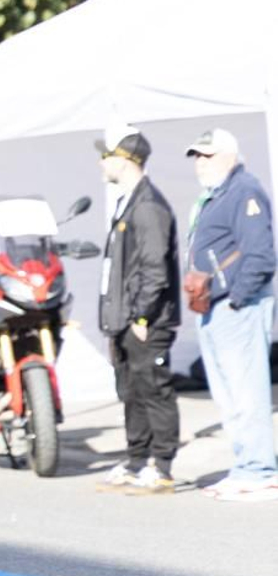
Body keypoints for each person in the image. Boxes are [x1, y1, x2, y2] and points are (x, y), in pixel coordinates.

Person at [185, 128, 278, 501]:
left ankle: (259, 470)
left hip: (237, 305)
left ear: (228, 155)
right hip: (215, 306)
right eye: (197, 156)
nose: (199, 164)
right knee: (229, 394)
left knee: (246, 391)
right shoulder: (218, 194)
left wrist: (237, 299)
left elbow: (261, 254)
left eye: (207, 156)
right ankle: (245, 466)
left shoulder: (244, 192)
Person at [94, 127, 182, 494]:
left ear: (127, 160)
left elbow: (154, 269)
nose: (102, 162)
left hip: (145, 320)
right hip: (124, 319)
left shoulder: (147, 206)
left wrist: (142, 316)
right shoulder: (127, 200)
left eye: (107, 155)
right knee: (131, 390)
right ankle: (135, 460)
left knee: (153, 389)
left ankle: (161, 466)